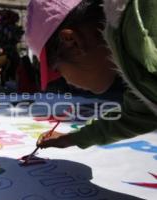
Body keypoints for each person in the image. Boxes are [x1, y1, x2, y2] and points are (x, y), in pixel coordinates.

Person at [25, 0, 157, 149]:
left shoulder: (143, 26)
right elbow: (139, 114)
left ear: (72, 42)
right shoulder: (133, 47)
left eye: (58, 71)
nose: (66, 81)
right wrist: (73, 138)